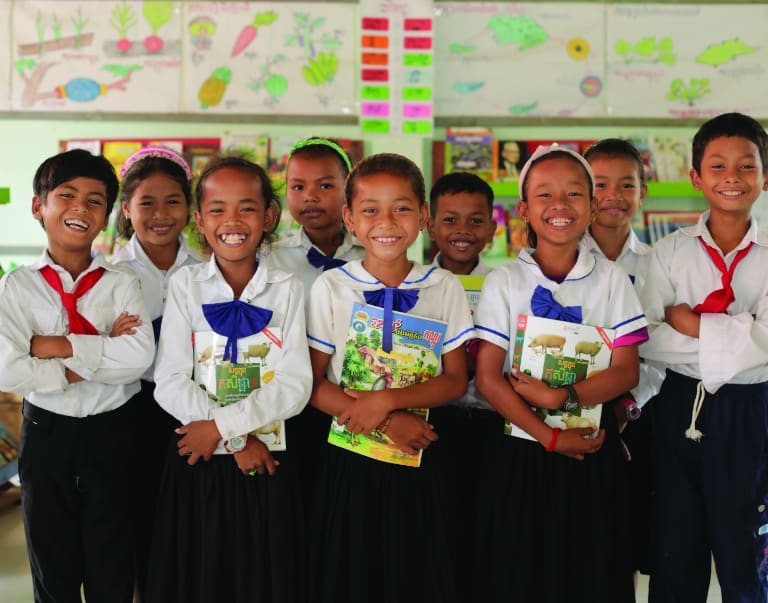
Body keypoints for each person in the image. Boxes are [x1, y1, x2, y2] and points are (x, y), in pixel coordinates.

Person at [474, 143, 649, 602]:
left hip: (591, 447)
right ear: (525, 210)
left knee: (591, 568)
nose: (559, 205)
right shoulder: (505, 281)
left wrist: (562, 398)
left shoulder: (611, 279)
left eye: (574, 195)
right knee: (522, 569)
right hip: (521, 451)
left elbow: (627, 370)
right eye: (545, 195)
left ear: (592, 208)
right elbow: (490, 377)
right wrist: (547, 435)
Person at [306, 153, 475, 603]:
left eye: (401, 208)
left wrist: (388, 401)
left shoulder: (444, 287)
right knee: (353, 569)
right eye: (370, 210)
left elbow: (456, 380)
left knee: (418, 570)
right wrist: (382, 416)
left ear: (423, 217)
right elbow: (313, 383)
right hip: (351, 451)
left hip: (422, 449)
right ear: (350, 218)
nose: (386, 221)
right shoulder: (331, 288)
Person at [146, 155, 312, 603]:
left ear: (269, 216)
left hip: (268, 457)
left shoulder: (289, 288)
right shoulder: (186, 286)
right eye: (217, 209)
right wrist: (236, 440)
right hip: (200, 458)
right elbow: (171, 380)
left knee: (262, 575)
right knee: (203, 573)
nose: (232, 221)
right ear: (199, 220)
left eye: (247, 207)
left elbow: (295, 384)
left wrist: (225, 431)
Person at [0, 149, 155, 602]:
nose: (80, 208)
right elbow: (9, 369)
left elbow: (139, 358)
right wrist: (100, 351)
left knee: (112, 558)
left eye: (94, 200)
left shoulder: (122, 282)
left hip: (113, 430)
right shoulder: (17, 287)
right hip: (46, 432)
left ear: (107, 216)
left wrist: (49, 347)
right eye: (66, 195)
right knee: (53, 563)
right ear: (38, 207)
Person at [638, 112, 768, 603]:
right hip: (679, 405)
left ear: (765, 175)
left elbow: (767, 346)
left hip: (751, 410)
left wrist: (690, 324)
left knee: (745, 551)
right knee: (677, 546)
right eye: (717, 166)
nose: (731, 177)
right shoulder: (667, 253)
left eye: (746, 166)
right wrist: (741, 334)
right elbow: (648, 339)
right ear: (696, 177)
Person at [109, 146, 201, 601]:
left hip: (191, 410)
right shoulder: (108, 273)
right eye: (147, 203)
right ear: (126, 209)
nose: (161, 214)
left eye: (173, 201)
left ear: (189, 207)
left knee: (189, 521)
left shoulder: (207, 272)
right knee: (136, 519)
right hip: (130, 411)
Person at [582, 138, 665, 579]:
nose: (612, 195)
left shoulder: (660, 264)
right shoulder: (564, 263)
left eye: (626, 185)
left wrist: (628, 401)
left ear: (642, 193)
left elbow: (662, 345)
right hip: (576, 410)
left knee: (633, 529)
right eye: (598, 185)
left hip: (643, 413)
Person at [267, 137, 366, 508]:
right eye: (298, 187)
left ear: (348, 189)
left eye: (325, 185)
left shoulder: (373, 253)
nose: (310, 196)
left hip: (356, 402)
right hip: (289, 407)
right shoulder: (270, 260)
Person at [426, 171, 499, 600]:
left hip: (494, 423)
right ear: (430, 224)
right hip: (437, 423)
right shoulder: (413, 287)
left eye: (476, 221)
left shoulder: (507, 286)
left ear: (492, 227)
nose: (462, 232)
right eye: (450, 220)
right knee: (440, 530)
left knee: (488, 531)